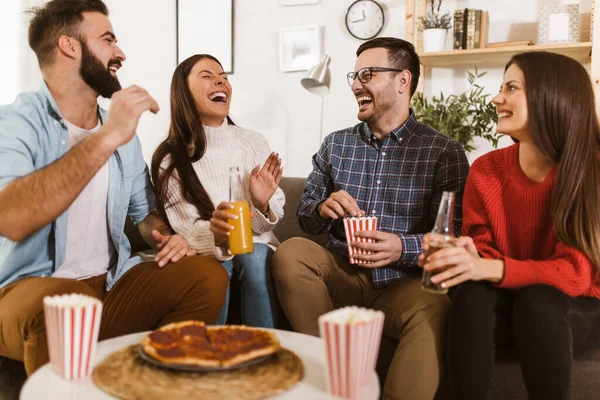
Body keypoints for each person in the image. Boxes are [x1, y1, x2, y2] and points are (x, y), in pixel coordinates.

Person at [0, 0, 228, 375]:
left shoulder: (122, 134)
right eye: (108, 40)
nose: (120, 53)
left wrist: (166, 238)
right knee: (62, 302)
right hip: (25, 294)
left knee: (205, 276)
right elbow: (11, 219)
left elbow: (144, 216)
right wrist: (107, 136)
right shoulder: (17, 122)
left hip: (107, 286)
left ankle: (154, 382)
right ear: (70, 46)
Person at [272, 37, 470, 400]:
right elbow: (305, 217)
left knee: (437, 307)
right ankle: (334, 380)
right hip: (341, 272)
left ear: (402, 81)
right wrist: (321, 208)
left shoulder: (444, 152)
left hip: (402, 284)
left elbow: (454, 235)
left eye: (367, 74)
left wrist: (401, 248)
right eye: (354, 75)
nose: (355, 84)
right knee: (292, 252)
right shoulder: (336, 144)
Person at [421, 51, 600, 400]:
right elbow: (484, 255)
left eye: (511, 87)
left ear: (551, 96)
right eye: (500, 87)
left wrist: (485, 265)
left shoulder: (589, 170)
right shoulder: (486, 169)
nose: (496, 98)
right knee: (470, 292)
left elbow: (575, 273)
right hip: (509, 305)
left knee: (540, 302)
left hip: (576, 308)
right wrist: (469, 254)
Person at [151, 54, 284, 328]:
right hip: (208, 251)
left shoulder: (253, 142)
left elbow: (275, 209)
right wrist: (219, 236)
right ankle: (208, 357)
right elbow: (186, 228)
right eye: (207, 76)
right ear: (183, 92)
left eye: (223, 76)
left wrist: (260, 205)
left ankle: (264, 354)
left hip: (257, 248)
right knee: (215, 268)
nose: (220, 81)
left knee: (253, 256)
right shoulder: (170, 158)